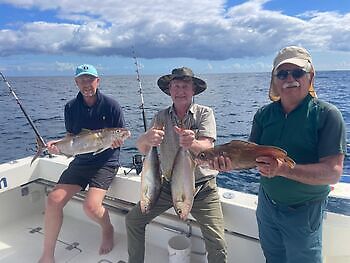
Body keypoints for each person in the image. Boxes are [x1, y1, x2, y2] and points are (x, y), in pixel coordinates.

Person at [210, 46, 347, 263]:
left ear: (310, 76)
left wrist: (283, 169)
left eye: (298, 72)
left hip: (305, 210)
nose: (289, 78)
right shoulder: (263, 115)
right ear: (274, 80)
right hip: (266, 205)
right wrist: (227, 164)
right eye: (282, 74)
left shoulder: (327, 115)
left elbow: (332, 174)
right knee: (273, 258)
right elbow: (248, 155)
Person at [125, 67, 227, 263]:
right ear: (169, 90)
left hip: (202, 189)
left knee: (217, 242)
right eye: (176, 86)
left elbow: (208, 146)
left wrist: (193, 143)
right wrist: (146, 138)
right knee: (133, 220)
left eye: (185, 86)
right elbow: (142, 148)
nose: (180, 91)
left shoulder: (205, 113)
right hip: (166, 186)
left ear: (193, 90)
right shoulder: (160, 117)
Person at [38, 64, 126, 263]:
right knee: (53, 200)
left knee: (91, 207)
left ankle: (107, 229)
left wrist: (118, 139)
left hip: (106, 161)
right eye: (82, 80)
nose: (87, 84)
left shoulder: (112, 106)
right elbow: (71, 137)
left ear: (98, 81)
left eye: (90, 79)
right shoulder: (70, 107)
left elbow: (121, 131)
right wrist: (56, 146)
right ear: (76, 82)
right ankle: (47, 255)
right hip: (81, 161)